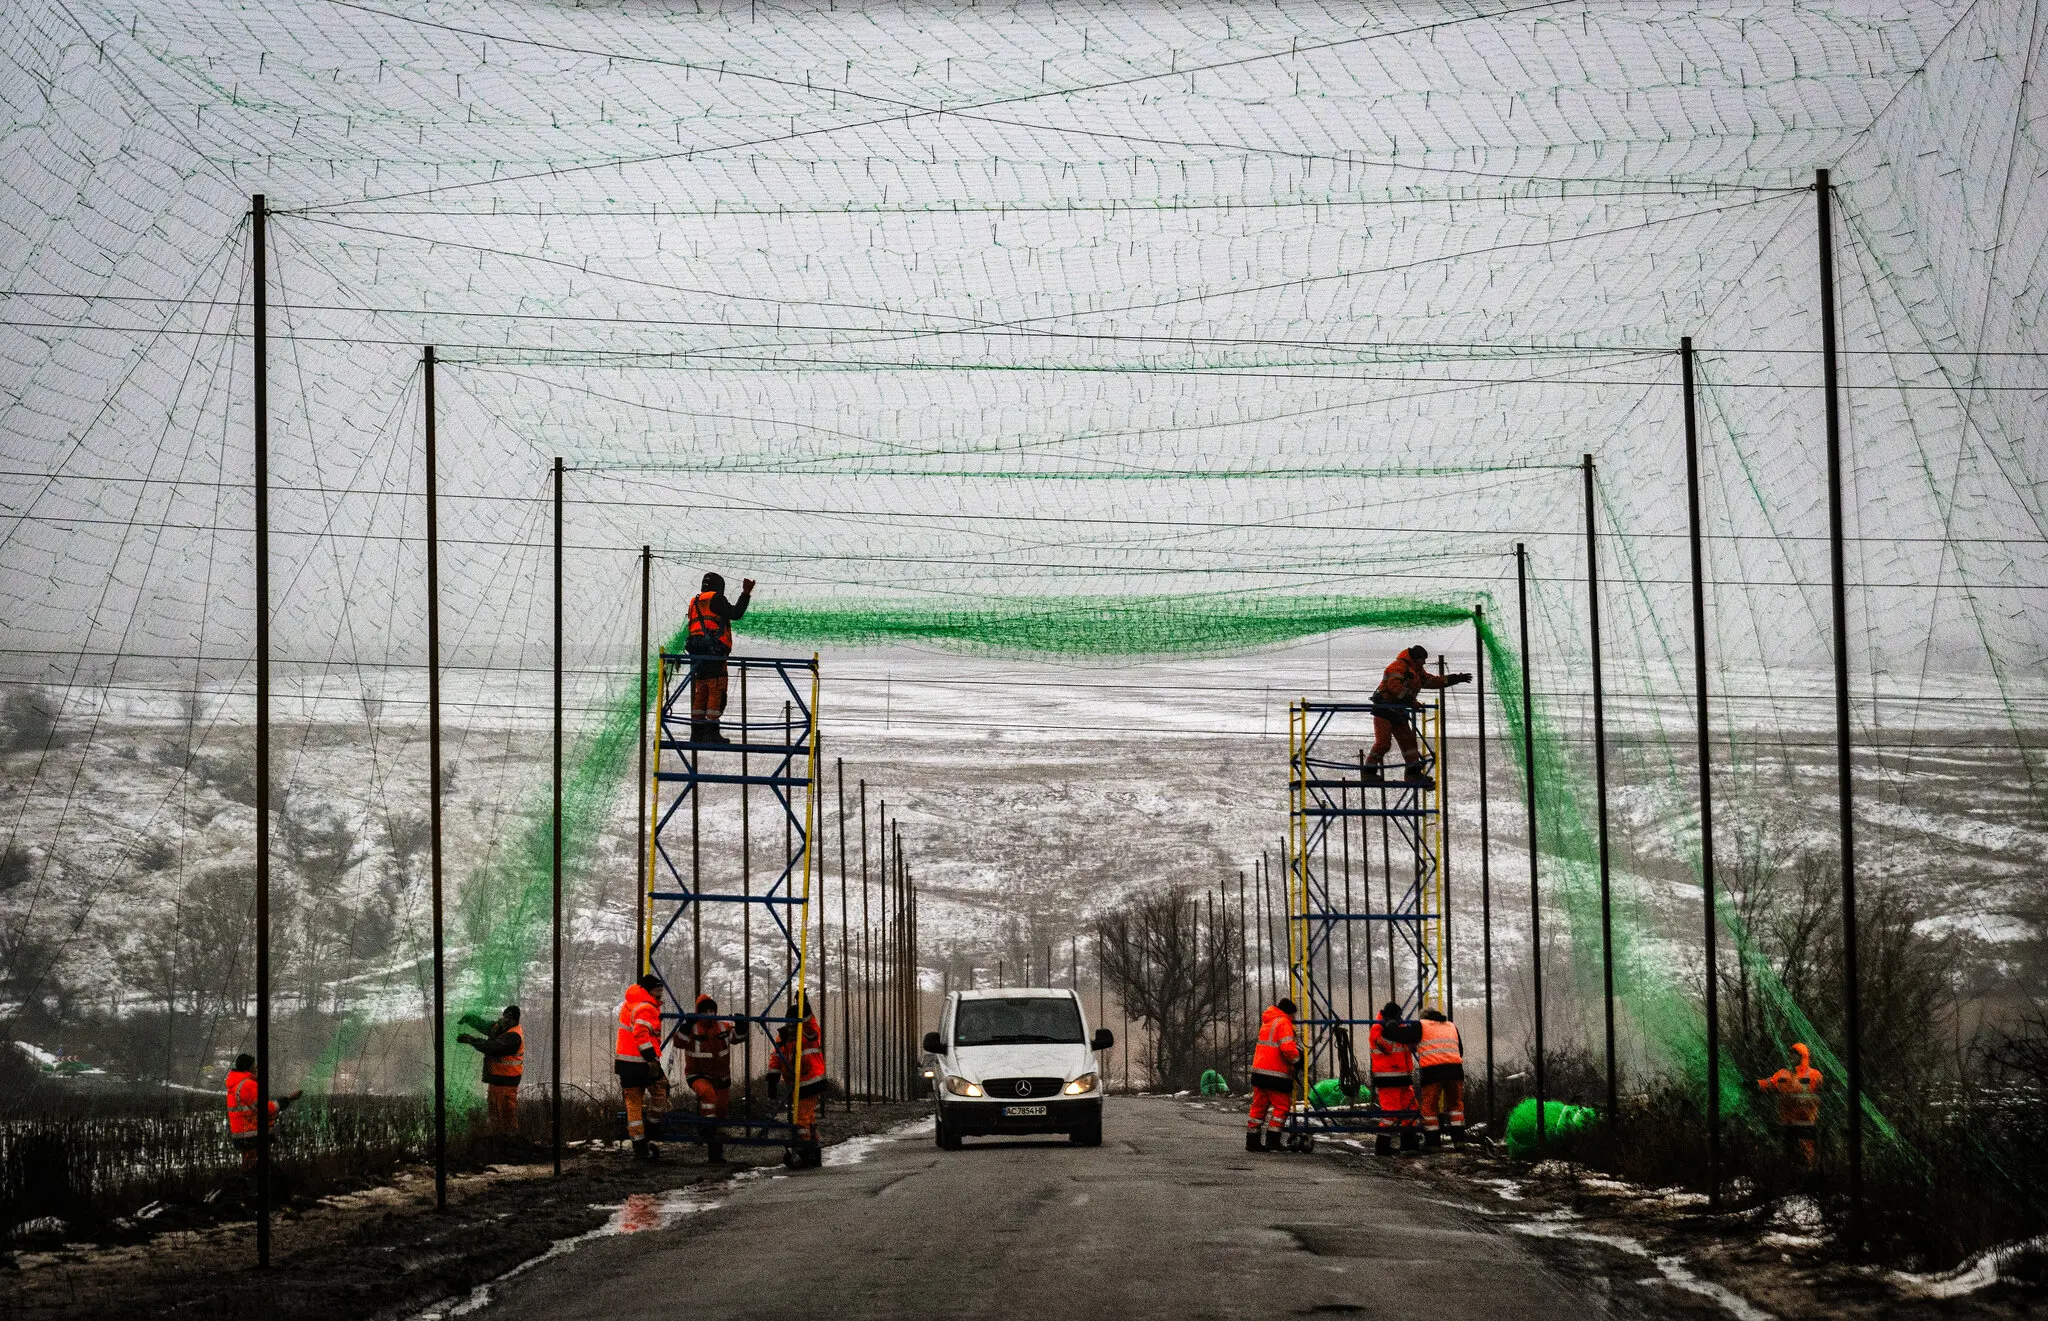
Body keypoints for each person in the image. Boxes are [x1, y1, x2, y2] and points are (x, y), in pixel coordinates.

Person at [1364, 645, 1471, 783]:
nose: (1424, 662)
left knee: (1409, 743)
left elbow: (1433, 681)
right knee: (1383, 743)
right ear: (1415, 658)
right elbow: (1394, 687)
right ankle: (1368, 772)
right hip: (1384, 709)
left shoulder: (1416, 671)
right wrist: (1411, 701)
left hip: (1398, 711)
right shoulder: (1397, 667)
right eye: (1423, 659)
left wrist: (1456, 678)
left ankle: (1413, 774)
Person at [685, 572, 756, 744]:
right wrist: (746, 593)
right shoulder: (716, 599)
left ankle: (696, 733)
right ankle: (711, 732)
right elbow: (736, 613)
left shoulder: (694, 601)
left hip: (696, 652)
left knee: (701, 689)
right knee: (716, 688)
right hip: (714, 651)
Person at [224, 1053, 301, 1190]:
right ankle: (257, 1196)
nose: (257, 1069)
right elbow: (266, 1109)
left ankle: (247, 1194)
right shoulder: (248, 1085)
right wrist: (286, 1100)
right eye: (254, 1066)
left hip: (242, 1134)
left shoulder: (235, 1085)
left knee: (249, 1168)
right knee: (257, 1170)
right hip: (253, 1134)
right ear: (249, 1068)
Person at [766, 991, 826, 1167]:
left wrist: (804, 1006)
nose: (791, 1025)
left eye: (794, 1021)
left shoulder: (807, 1032)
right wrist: (772, 1079)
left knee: (801, 1118)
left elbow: (810, 1022)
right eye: (789, 1022)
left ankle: (803, 1150)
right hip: (797, 1084)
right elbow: (776, 1057)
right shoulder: (783, 1037)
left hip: (811, 1081)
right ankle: (812, 1148)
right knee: (807, 1117)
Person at [615, 973, 670, 1161]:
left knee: (633, 1103)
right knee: (661, 1089)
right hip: (642, 1062)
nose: (660, 992)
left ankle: (639, 1143)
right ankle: (652, 1128)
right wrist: (651, 1059)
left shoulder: (630, 1004)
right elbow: (641, 1034)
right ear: (648, 990)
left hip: (625, 1063)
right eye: (657, 988)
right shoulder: (646, 1007)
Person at [682, 993, 741, 1162]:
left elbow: (737, 1038)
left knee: (720, 1110)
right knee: (708, 1097)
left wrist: (742, 1026)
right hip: (697, 1074)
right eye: (706, 1011)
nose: (710, 1014)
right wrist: (686, 1026)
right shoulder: (693, 1027)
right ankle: (707, 1129)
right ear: (699, 1012)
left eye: (712, 1011)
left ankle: (715, 1154)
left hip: (721, 1076)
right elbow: (679, 1042)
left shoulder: (723, 1026)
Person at [456, 1004, 524, 1136]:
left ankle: (508, 1140)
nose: (505, 1019)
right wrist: (470, 1019)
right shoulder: (503, 1028)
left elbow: (492, 1047)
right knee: (497, 1113)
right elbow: (486, 1026)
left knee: (505, 1114)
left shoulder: (513, 1036)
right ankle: (501, 1140)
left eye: (509, 1017)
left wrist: (471, 1040)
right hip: (498, 1079)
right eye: (504, 1015)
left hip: (506, 1082)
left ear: (515, 1020)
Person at [1245, 996, 1302, 1152]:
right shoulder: (1283, 1023)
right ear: (1288, 1013)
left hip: (1260, 1072)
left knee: (1258, 1107)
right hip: (1276, 1074)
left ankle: (1252, 1140)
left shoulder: (1268, 1022)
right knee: (1281, 1107)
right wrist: (1297, 1060)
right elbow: (1287, 1048)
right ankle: (1273, 1139)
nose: (1294, 1019)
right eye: (1293, 1015)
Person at [1368, 1002, 1423, 1155]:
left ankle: (1409, 1144)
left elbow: (1411, 1046)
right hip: (1387, 1078)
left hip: (1403, 1077)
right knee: (1390, 1113)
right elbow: (1385, 1046)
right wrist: (1391, 1030)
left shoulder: (1399, 1027)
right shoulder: (1377, 1028)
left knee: (1411, 1110)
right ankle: (1382, 1146)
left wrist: (1409, 1033)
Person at [1758, 1042, 1825, 1167]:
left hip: (1805, 1123)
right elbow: (1770, 1082)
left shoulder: (1814, 1075)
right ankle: (1793, 1172)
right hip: (1787, 1123)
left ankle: (1810, 1172)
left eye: (1795, 1054)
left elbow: (1822, 1093)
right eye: (1791, 1054)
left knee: (1807, 1153)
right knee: (1788, 1154)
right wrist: (1757, 1084)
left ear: (1802, 1056)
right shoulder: (1783, 1073)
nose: (1791, 1057)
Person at [1414, 1006, 1466, 1148]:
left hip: (1432, 1072)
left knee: (1430, 1108)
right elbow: (1460, 1050)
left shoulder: (1422, 1025)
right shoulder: (1451, 1026)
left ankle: (1433, 1143)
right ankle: (1459, 1141)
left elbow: (1403, 1036)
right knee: (1456, 1106)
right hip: (1455, 1070)